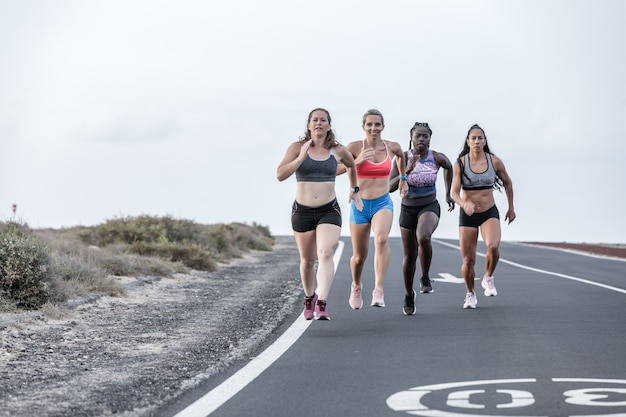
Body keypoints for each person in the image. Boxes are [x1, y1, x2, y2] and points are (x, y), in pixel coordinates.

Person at [277, 108, 363, 320]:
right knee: (307, 261)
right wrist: (299, 159)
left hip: (328, 210)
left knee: (325, 253)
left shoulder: (337, 150)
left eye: (323, 120)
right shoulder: (297, 147)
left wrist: (354, 191)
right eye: (315, 120)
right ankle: (309, 297)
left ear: (328, 125)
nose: (319, 123)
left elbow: (352, 165)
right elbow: (280, 175)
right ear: (308, 125)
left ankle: (322, 302)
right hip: (302, 211)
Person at [338, 109, 407, 309]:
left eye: (377, 124)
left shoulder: (391, 147)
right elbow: (334, 169)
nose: (373, 128)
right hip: (360, 205)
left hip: (382, 202)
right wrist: (356, 161)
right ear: (363, 127)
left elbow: (401, 156)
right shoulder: (353, 147)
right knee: (359, 257)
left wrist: (402, 179)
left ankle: (378, 290)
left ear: (383, 127)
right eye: (369, 124)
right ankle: (356, 285)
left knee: (381, 239)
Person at [390, 122, 454, 316]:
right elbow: (389, 187)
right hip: (407, 209)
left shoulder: (436, 157)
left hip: (429, 205)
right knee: (409, 256)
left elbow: (449, 166)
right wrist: (406, 171)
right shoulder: (401, 159)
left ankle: (425, 277)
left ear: (429, 138)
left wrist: (448, 194)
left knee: (423, 237)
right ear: (411, 137)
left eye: (425, 136)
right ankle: (409, 294)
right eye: (418, 136)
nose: (421, 139)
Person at [450, 124, 515, 309]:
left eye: (480, 138)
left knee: (493, 247)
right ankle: (470, 294)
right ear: (468, 141)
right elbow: (454, 192)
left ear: (484, 141)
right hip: (468, 216)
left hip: (488, 212)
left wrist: (511, 208)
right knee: (468, 261)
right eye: (473, 138)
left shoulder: (494, 162)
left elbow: (508, 183)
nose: (477, 141)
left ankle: (488, 277)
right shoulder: (460, 163)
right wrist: (464, 204)